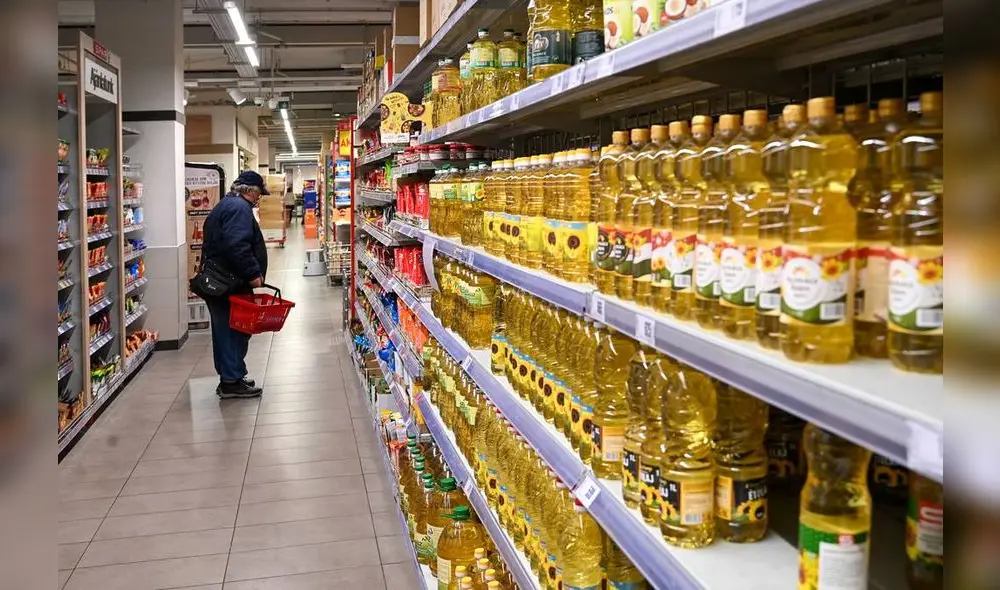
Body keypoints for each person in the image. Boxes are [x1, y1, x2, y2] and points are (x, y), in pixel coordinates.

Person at [200, 171, 269, 398]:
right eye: (258, 193)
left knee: (227, 330)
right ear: (249, 190)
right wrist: (252, 274)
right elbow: (237, 246)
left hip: (220, 281)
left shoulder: (227, 205)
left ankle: (232, 376)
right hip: (227, 283)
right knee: (233, 331)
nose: (258, 199)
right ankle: (231, 381)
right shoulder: (239, 209)